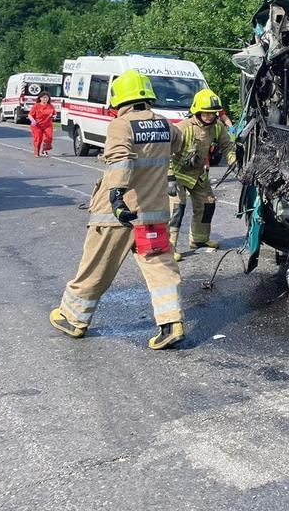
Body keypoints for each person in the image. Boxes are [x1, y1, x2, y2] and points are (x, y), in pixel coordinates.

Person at [49, 70, 187, 349]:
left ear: (119, 98)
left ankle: (73, 318)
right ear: (147, 95)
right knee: (161, 266)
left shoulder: (121, 125)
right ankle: (171, 322)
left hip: (117, 215)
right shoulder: (163, 124)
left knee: (97, 265)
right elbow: (180, 144)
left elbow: (121, 161)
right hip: (154, 213)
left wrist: (116, 197)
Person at [169, 88, 236, 258]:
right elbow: (166, 152)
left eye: (212, 114)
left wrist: (232, 160)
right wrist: (169, 177)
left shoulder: (217, 127)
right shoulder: (183, 128)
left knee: (208, 203)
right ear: (197, 111)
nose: (209, 117)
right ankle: (169, 249)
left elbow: (227, 146)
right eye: (206, 113)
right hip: (177, 174)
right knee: (177, 209)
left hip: (198, 173)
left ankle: (199, 240)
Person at [28, 92, 56, 157]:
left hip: (48, 125)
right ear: (40, 98)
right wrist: (32, 120)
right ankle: (36, 152)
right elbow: (30, 115)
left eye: (47, 97)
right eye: (44, 97)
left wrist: (54, 116)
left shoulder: (51, 106)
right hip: (37, 125)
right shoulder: (36, 106)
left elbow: (54, 113)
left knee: (49, 137)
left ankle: (44, 149)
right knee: (38, 139)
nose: (45, 99)